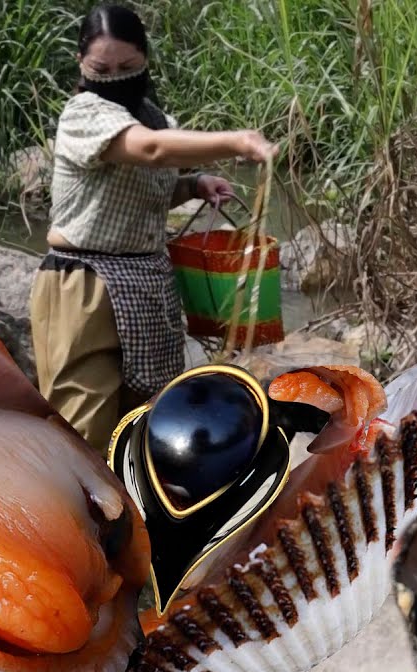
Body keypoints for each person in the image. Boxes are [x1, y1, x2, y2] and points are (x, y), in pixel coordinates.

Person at [30, 3, 278, 452]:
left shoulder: (155, 117)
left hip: (145, 281)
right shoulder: (84, 112)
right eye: (101, 68)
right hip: (85, 285)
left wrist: (195, 185)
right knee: (82, 434)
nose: (114, 77)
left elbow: (144, 186)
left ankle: (136, 519)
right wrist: (236, 141)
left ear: (145, 60)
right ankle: (76, 521)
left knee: (144, 424)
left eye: (127, 67)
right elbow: (149, 151)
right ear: (81, 65)